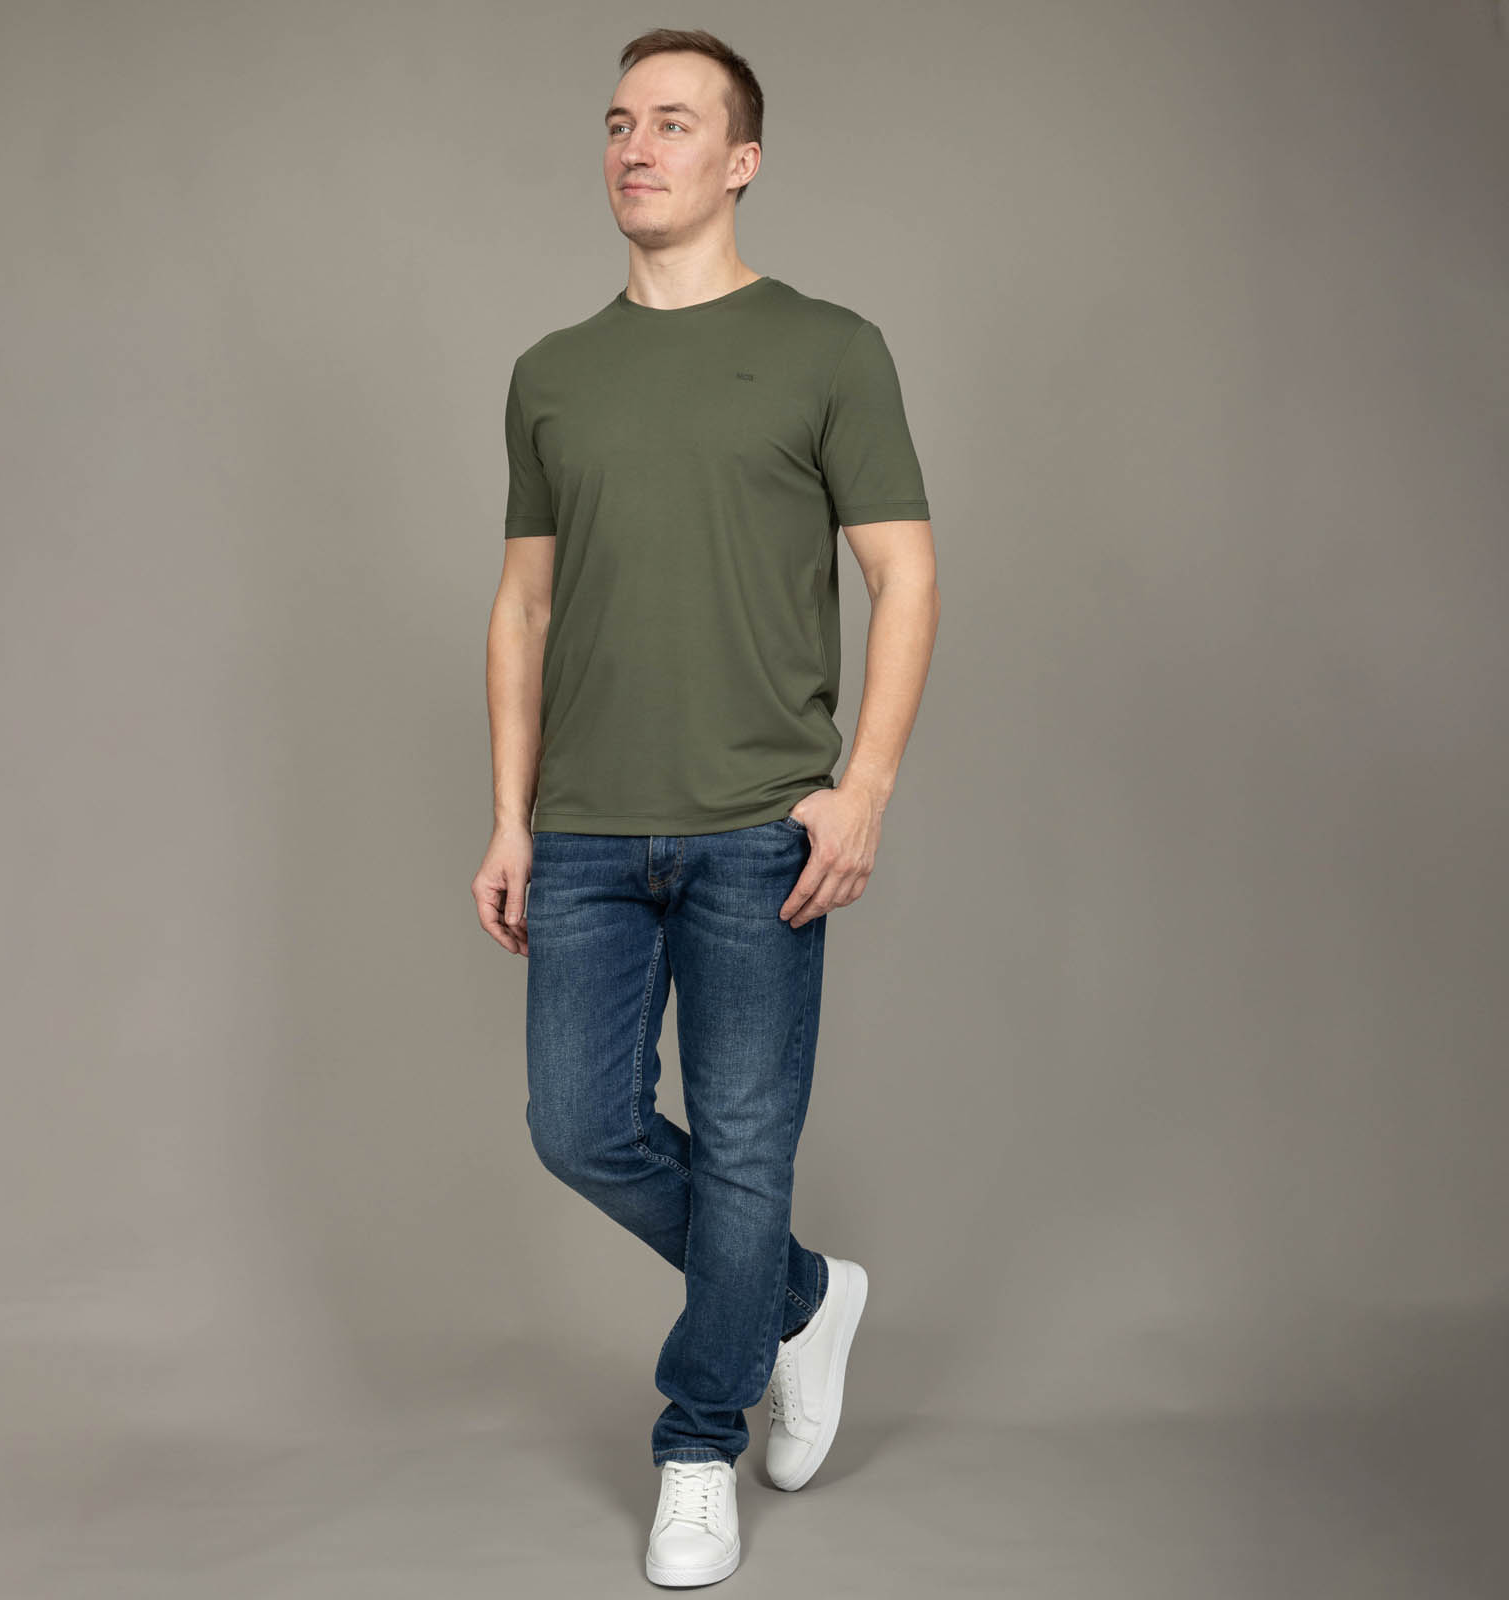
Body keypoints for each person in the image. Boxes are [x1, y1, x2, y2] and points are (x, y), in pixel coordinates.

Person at [472, 26, 939, 1588]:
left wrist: (863, 789)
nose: (636, 145)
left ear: (741, 161)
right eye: (620, 121)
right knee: (578, 1127)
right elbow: (523, 608)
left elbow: (906, 577)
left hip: (760, 826)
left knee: (742, 1150)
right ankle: (805, 1299)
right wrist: (511, 816)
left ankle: (694, 1445)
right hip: (586, 830)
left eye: (674, 122)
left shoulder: (830, 349)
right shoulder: (551, 374)